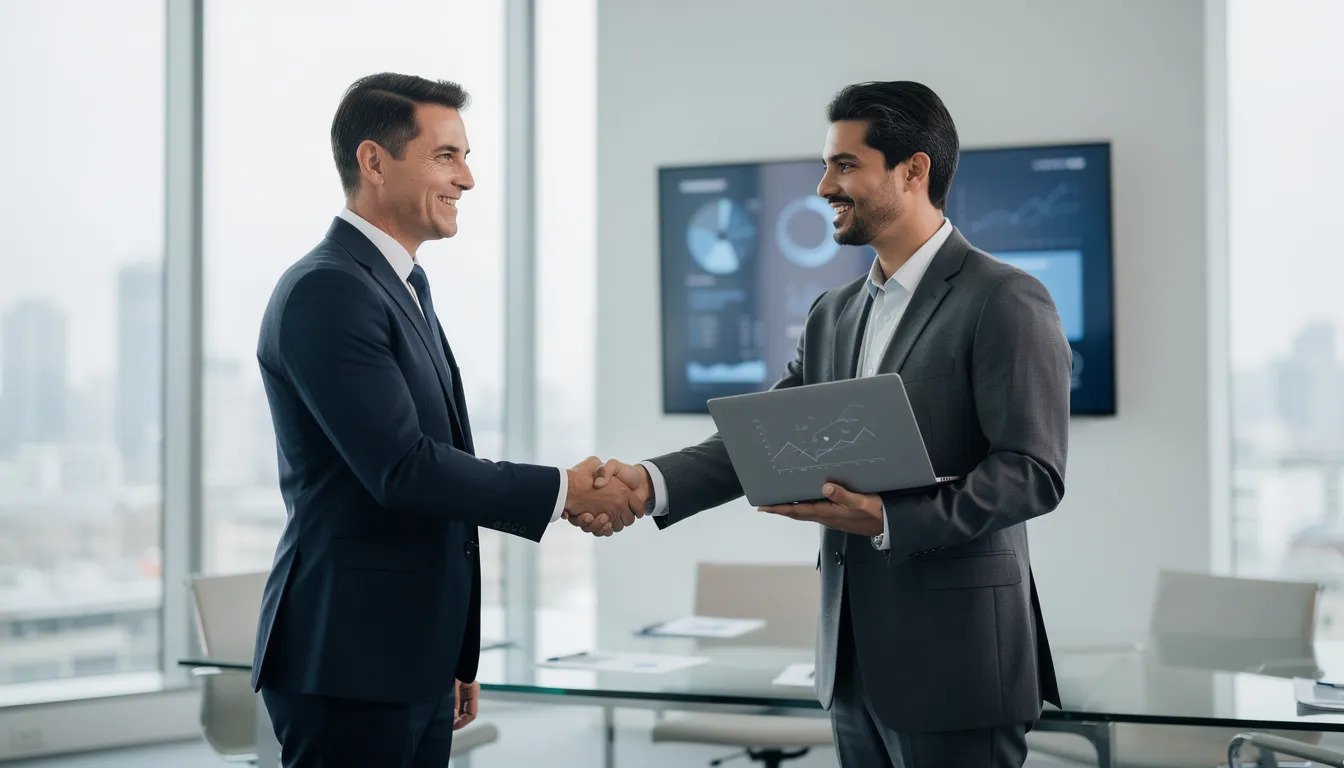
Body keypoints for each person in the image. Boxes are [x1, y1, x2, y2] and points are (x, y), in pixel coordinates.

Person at [595, 80, 1071, 767]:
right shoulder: (834, 311)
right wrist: (645, 484)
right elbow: (764, 439)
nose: (823, 186)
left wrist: (890, 519)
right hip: (851, 666)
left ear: (914, 171)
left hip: (959, 665)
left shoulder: (1003, 299)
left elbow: (1032, 472)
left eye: (845, 165)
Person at [250, 72, 633, 767]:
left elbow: (431, 479)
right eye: (447, 156)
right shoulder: (328, 289)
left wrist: (454, 652)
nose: (468, 179)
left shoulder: (401, 287)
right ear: (374, 161)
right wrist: (564, 490)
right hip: (350, 662)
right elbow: (403, 469)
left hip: (409, 658)